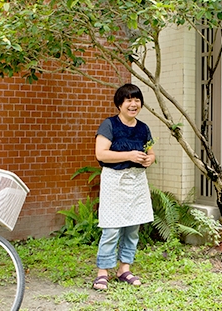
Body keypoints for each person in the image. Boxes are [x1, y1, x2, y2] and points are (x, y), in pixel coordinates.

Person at [92, 83, 156, 290]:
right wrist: (129, 155)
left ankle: (124, 269)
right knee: (111, 228)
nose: (133, 104)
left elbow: (151, 152)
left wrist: (149, 159)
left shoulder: (144, 128)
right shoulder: (109, 125)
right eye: (128, 99)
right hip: (114, 181)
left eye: (137, 100)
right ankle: (103, 272)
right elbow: (101, 154)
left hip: (137, 182)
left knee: (132, 228)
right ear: (119, 104)